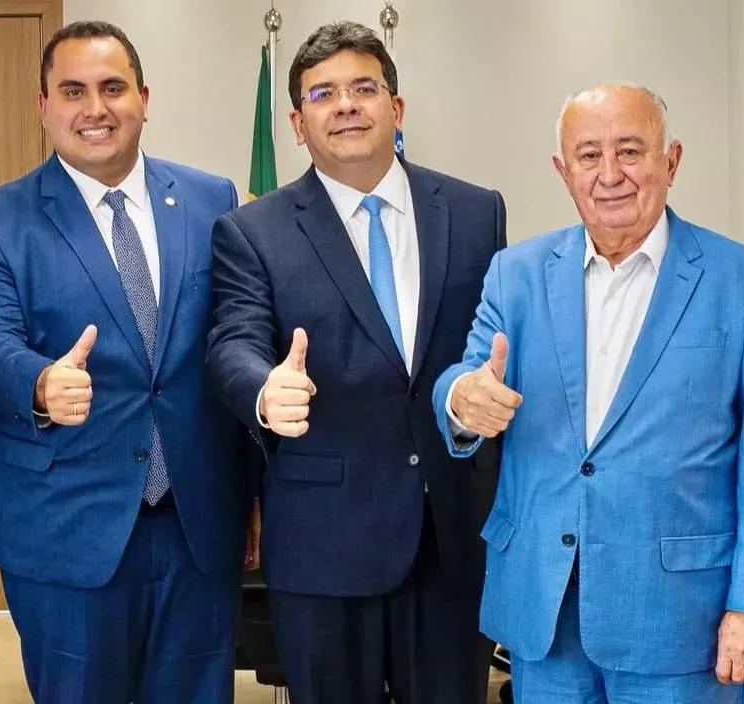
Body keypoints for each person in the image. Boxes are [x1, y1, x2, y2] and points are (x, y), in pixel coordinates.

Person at [435, 82, 744, 703]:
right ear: (564, 171)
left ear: (672, 160)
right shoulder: (516, 273)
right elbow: (466, 376)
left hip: (684, 624)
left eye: (631, 151)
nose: (610, 174)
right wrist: (462, 399)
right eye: (589, 155)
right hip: (547, 615)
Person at [0, 20, 255, 704]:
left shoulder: (212, 200)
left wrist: (254, 488)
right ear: (44, 106)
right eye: (73, 91)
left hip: (197, 524)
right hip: (66, 526)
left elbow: (233, 339)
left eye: (113, 88)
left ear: (144, 98)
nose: (96, 108)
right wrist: (38, 381)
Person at [207, 20, 506, 704]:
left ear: (395, 108)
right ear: (297, 123)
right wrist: (264, 391)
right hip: (324, 544)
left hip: (451, 537)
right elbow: (232, 343)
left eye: (364, 88)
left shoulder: (476, 212)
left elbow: (489, 344)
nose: (345, 105)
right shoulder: (253, 231)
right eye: (323, 94)